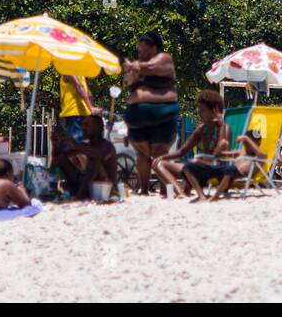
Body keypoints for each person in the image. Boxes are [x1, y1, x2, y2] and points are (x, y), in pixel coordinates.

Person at [121, 32, 179, 194]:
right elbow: (127, 82)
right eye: (139, 51)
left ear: (154, 48)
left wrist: (136, 67)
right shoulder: (137, 65)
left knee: (160, 153)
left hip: (163, 115)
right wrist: (131, 75)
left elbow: (154, 68)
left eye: (145, 50)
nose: (141, 54)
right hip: (138, 118)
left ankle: (164, 190)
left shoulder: (164, 59)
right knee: (142, 154)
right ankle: (144, 189)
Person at [156, 90, 229, 199]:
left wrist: (221, 124)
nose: (199, 113)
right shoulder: (202, 129)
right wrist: (162, 157)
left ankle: (185, 191)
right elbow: (182, 151)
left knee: (193, 163)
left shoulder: (224, 128)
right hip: (199, 167)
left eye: (202, 110)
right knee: (159, 163)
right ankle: (180, 193)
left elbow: (222, 152)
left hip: (215, 169)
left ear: (214, 110)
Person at [54, 114, 120, 199]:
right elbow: (60, 155)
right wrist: (55, 144)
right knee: (61, 159)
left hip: (106, 189)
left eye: (87, 125)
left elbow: (99, 154)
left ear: (97, 128)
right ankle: (52, 190)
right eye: (83, 125)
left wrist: (76, 145)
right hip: (89, 186)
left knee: (93, 160)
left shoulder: (107, 146)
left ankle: (80, 196)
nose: (83, 128)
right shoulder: (85, 146)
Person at [201, 128, 265, 202]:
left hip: (237, 174)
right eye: (246, 142)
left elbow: (261, 154)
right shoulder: (240, 152)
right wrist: (220, 146)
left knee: (229, 169)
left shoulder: (261, 156)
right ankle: (197, 192)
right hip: (228, 174)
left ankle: (216, 196)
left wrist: (246, 138)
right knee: (204, 167)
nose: (248, 145)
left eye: (250, 143)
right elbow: (218, 155)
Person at [59, 74, 96, 143]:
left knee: (83, 144)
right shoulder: (68, 69)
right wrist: (91, 107)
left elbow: (88, 93)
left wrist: (93, 110)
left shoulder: (81, 74)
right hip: (74, 113)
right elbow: (78, 86)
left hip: (84, 114)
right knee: (76, 144)